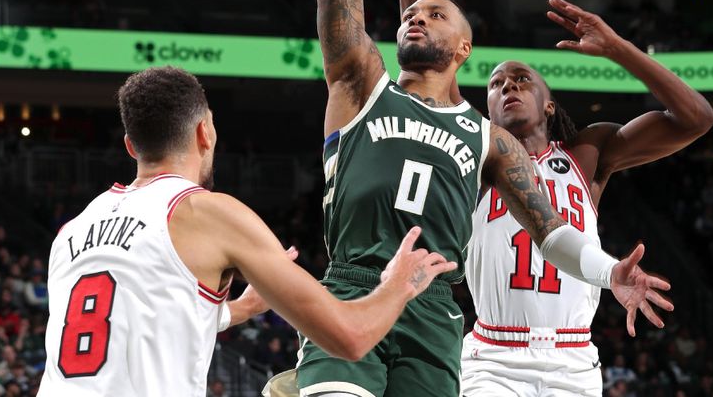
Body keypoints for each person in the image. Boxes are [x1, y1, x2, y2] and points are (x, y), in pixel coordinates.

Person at [296, 0, 671, 397]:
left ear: (464, 46)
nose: (416, 17)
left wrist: (609, 272)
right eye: (410, 15)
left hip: (434, 311)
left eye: (434, 13)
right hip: (353, 284)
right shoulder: (361, 84)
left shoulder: (487, 138)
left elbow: (550, 231)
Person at [38, 65, 459, 396]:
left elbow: (122, 319)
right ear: (206, 131)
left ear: (131, 146)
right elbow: (349, 339)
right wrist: (398, 285)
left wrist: (238, 310)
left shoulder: (73, 231)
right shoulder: (209, 213)